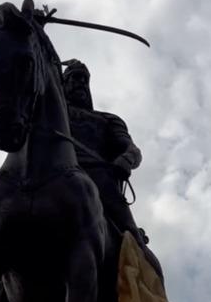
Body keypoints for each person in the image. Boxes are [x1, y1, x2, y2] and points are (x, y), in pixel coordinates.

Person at [62, 59, 164, 283]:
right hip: (57, 172)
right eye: (73, 78)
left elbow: (131, 148)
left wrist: (126, 160)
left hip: (99, 178)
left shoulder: (107, 120)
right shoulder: (50, 115)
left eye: (83, 80)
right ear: (63, 83)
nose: (79, 84)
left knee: (130, 234)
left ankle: (149, 286)